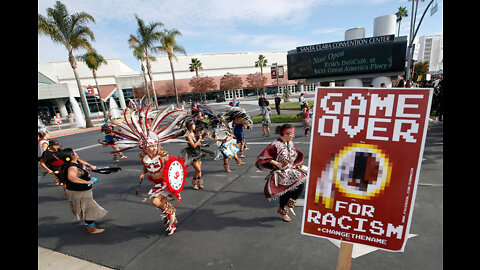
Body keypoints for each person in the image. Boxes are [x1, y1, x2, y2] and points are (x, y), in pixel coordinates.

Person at [255, 124, 308, 222]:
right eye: (291, 134)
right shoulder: (275, 145)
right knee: (285, 191)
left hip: (291, 169)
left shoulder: (290, 142)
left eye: (293, 134)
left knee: (301, 184)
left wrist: (295, 163)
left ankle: (289, 204)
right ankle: (283, 210)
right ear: (285, 133)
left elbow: (293, 153)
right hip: (281, 173)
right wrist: (278, 164)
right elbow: (264, 157)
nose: (293, 136)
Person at [58, 148, 107, 234]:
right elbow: (71, 177)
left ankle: (90, 223)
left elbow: (81, 161)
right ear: (71, 156)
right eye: (74, 152)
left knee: (87, 208)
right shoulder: (72, 167)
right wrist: (87, 182)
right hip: (79, 192)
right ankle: (91, 229)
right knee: (88, 210)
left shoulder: (75, 162)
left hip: (82, 191)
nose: (76, 153)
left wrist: (90, 165)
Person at [139, 137, 179, 236]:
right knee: (163, 204)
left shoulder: (162, 157)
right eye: (151, 147)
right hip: (156, 184)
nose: (153, 148)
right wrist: (143, 173)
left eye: (155, 146)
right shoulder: (145, 159)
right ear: (146, 148)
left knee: (155, 201)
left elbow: (174, 163)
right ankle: (171, 223)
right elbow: (146, 167)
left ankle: (171, 213)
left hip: (164, 184)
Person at [181, 120, 214, 190]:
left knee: (199, 169)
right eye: (193, 125)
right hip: (192, 154)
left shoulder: (194, 133)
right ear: (190, 126)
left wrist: (204, 134)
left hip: (198, 152)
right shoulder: (188, 136)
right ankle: (194, 182)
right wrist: (199, 139)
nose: (195, 126)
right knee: (198, 170)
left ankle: (199, 183)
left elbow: (199, 137)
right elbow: (193, 145)